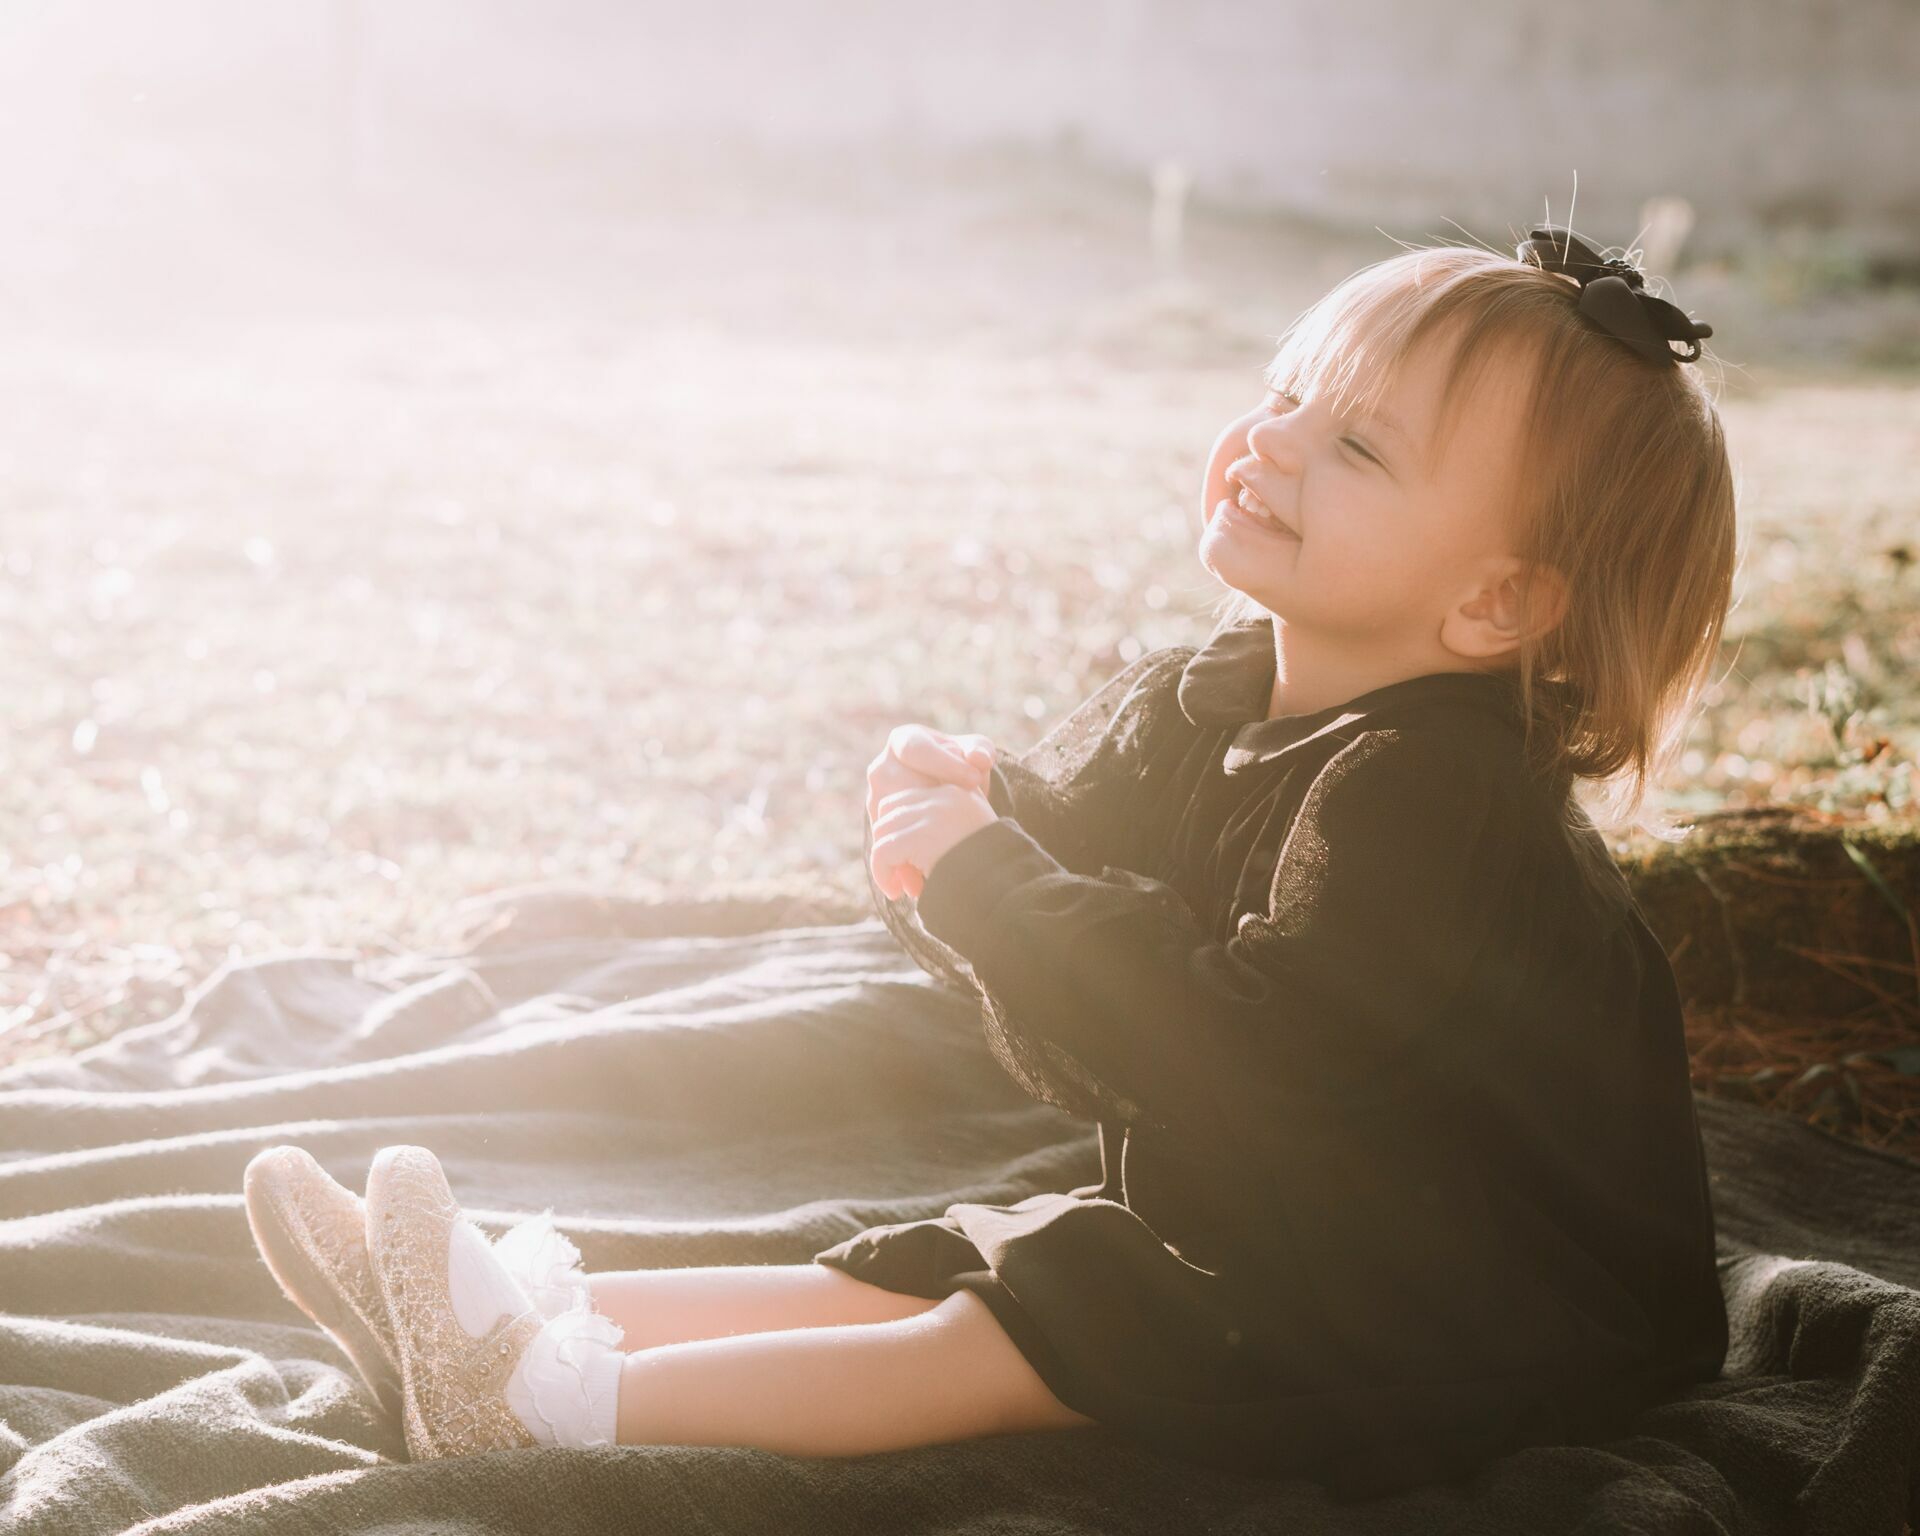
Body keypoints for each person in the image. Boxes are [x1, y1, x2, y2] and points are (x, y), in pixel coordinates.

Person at [244, 223, 1737, 1495]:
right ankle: (491, 1313)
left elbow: (1248, 1044)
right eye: (1281, 395)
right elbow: (1093, 868)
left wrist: (989, 879)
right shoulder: (1228, 695)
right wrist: (985, 817)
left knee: (1038, 1323)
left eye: (1351, 444)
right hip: (1313, 1219)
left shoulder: (1436, 799)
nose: (1265, 443)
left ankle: (552, 1412)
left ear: (1496, 606)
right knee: (937, 1255)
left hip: (1489, 1319)